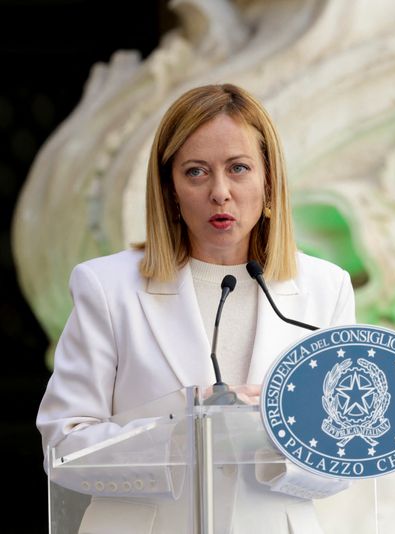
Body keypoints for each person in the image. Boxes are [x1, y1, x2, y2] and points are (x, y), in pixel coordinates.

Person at [36, 83, 356, 533]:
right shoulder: (106, 287)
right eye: (196, 172)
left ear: (269, 182)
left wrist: (272, 442)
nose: (220, 192)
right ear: (170, 190)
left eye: (238, 168)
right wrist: (185, 433)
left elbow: (347, 450)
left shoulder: (326, 287)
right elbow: (64, 448)